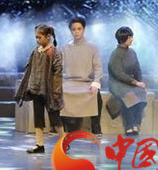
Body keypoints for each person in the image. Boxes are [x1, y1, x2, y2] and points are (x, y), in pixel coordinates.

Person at [14, 24, 66, 154]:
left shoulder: (54, 52)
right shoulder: (36, 51)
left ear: (48, 36)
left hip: (50, 91)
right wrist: (28, 85)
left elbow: (58, 72)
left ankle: (64, 143)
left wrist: (56, 91)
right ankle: (39, 144)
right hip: (36, 90)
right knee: (38, 118)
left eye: (40, 37)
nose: (37, 40)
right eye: (36, 37)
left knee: (55, 118)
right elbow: (30, 68)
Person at [60, 17, 103, 137]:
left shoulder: (93, 47)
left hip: (87, 82)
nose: (76, 32)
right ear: (71, 31)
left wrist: (96, 83)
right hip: (69, 82)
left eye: (79, 29)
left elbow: (98, 67)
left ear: (84, 29)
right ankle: (61, 127)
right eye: (74, 29)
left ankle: (96, 127)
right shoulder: (65, 48)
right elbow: (59, 68)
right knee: (59, 94)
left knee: (96, 95)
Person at [107, 26, 147, 136]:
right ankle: (129, 125)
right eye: (129, 37)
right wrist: (135, 82)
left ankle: (136, 123)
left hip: (130, 82)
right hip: (117, 83)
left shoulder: (132, 52)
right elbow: (118, 73)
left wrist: (140, 82)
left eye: (131, 37)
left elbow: (137, 69)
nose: (131, 39)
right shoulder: (116, 54)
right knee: (129, 95)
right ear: (123, 38)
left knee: (141, 94)